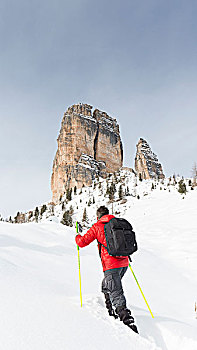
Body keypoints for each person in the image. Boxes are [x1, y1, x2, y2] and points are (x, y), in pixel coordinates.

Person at [75, 206, 138, 332]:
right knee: (106, 286)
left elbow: (82, 242)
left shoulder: (97, 226)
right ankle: (111, 311)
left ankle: (127, 321)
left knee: (116, 292)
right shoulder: (117, 224)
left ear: (98, 216)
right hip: (124, 263)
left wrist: (77, 236)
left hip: (111, 265)